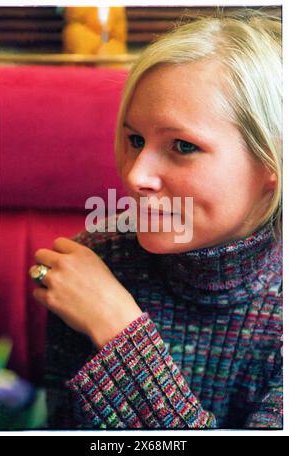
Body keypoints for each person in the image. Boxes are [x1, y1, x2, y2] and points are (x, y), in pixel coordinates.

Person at [30, 9, 282, 429]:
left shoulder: (98, 296)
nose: (134, 176)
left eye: (182, 146)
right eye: (135, 139)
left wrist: (118, 330)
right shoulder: (97, 264)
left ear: (271, 161)